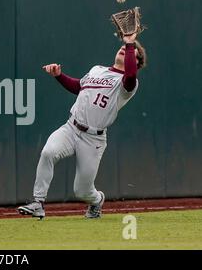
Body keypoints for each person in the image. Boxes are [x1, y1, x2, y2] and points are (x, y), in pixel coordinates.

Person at [17, 33, 147, 219]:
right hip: (71, 128)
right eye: (124, 48)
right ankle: (38, 202)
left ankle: (97, 201)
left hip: (93, 139)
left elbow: (131, 74)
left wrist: (130, 44)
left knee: (82, 191)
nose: (124, 49)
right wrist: (59, 76)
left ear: (135, 61)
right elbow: (79, 86)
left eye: (131, 52)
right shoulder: (97, 70)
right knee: (48, 152)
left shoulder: (128, 84)